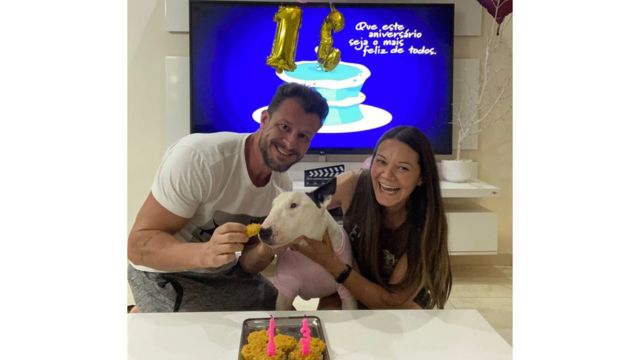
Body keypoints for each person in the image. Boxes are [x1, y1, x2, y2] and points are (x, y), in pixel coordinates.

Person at [127, 83, 329, 312]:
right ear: (264, 120)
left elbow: (247, 264)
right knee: (213, 338)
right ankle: (142, 314)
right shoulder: (199, 159)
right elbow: (138, 245)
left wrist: (268, 247)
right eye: (284, 127)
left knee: (282, 321)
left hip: (223, 273)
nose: (291, 142)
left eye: (303, 136)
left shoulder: (280, 187)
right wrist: (205, 253)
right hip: (163, 272)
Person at [293, 126, 452, 309]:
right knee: (329, 316)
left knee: (400, 321)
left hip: (396, 303)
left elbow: (390, 302)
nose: (387, 175)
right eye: (382, 162)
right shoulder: (352, 184)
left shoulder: (426, 227)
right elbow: (303, 206)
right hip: (347, 282)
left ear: (421, 178)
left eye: (402, 168)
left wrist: (332, 263)